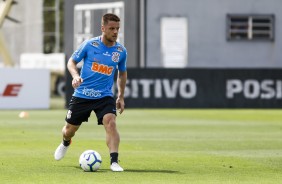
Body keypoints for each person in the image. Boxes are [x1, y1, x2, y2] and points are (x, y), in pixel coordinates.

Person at [54, 13, 127, 172]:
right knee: (69, 130)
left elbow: (122, 73)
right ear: (103, 28)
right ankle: (66, 143)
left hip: (104, 96)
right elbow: (71, 62)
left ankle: (114, 161)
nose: (115, 32)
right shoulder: (89, 45)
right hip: (83, 94)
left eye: (117, 29)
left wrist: (120, 95)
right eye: (112, 28)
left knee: (111, 122)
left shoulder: (121, 51)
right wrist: (75, 76)